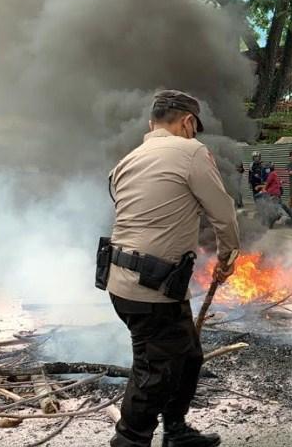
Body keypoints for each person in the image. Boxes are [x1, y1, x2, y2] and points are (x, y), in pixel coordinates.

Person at [104, 90, 239, 447]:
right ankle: (129, 440)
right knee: (154, 369)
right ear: (188, 122)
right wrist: (227, 259)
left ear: (151, 125)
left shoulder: (127, 160)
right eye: (194, 128)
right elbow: (223, 214)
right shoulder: (191, 151)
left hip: (127, 281)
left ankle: (176, 430)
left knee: (188, 354)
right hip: (151, 288)